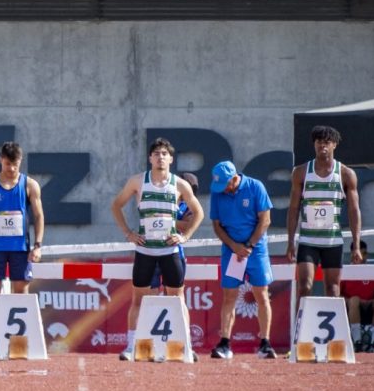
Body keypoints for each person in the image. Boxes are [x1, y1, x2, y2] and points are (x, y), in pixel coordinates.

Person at [110, 138, 204, 361]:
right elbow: (116, 205)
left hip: (170, 252)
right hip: (145, 252)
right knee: (139, 299)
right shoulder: (137, 181)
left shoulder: (179, 184)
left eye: (164, 154)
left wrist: (185, 237)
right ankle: (131, 346)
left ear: (171, 159)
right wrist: (129, 233)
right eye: (156, 154)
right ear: (150, 158)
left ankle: (186, 346)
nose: (160, 157)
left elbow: (199, 213)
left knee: (177, 299)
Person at [0, 141, 45, 342]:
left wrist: (38, 246)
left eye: (15, 164)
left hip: (21, 249)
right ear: (1, 161)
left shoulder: (30, 185)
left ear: (20, 161)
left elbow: (39, 216)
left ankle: (20, 341)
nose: (11, 169)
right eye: (7, 164)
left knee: (21, 293)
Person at [286, 125, 363, 313]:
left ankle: (333, 330)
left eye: (327, 142)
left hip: (332, 241)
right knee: (304, 286)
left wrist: (356, 245)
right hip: (308, 240)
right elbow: (294, 208)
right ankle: (300, 327)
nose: (323, 146)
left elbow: (354, 210)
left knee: (333, 289)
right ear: (314, 144)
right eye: (319, 142)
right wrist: (290, 242)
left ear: (334, 145)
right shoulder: (301, 172)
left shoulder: (345, 174)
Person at [209, 160, 276, 359]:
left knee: (261, 294)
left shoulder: (256, 187)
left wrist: (249, 246)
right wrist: (234, 246)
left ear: (234, 178)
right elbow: (217, 226)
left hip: (256, 250)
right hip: (232, 250)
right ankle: (224, 343)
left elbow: (265, 220)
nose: (222, 189)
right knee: (229, 295)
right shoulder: (217, 193)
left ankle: (265, 343)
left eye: (225, 184)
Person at [150, 172, 198, 294]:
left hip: (174, 253)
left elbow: (187, 226)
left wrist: (165, 221)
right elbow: (151, 218)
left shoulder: (189, 207)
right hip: (152, 251)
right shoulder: (162, 198)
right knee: (150, 297)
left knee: (174, 297)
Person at [342, 240, 374, 352]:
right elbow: (337, 295)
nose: (363, 257)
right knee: (354, 300)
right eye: (360, 254)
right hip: (351, 307)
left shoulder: (372, 271)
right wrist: (351, 300)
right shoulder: (345, 271)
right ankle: (357, 341)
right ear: (353, 254)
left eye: (365, 254)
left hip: (370, 307)